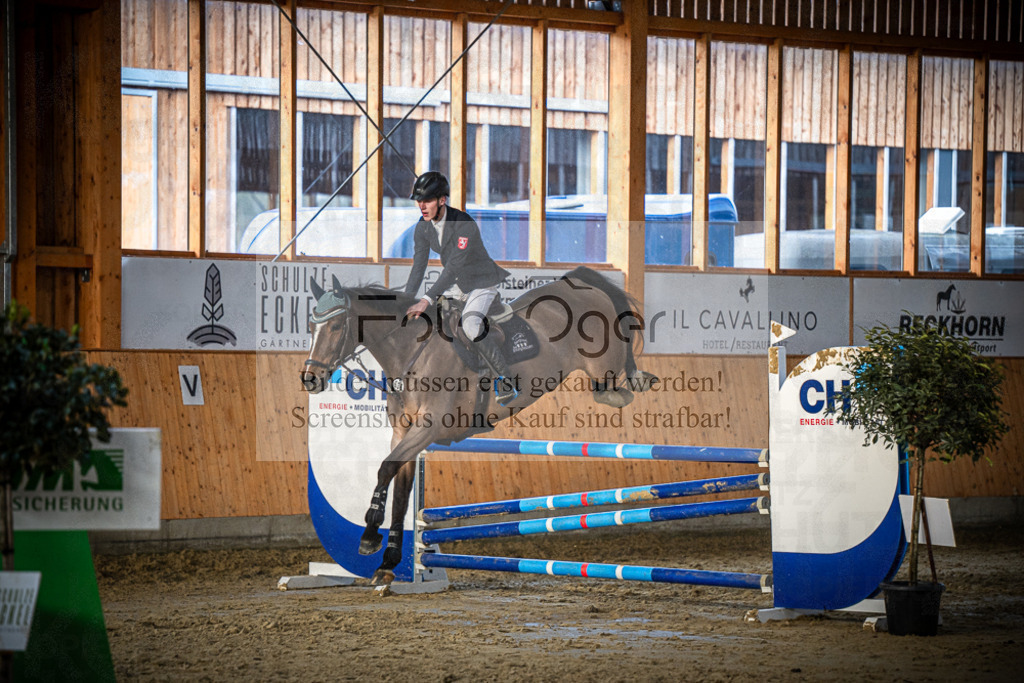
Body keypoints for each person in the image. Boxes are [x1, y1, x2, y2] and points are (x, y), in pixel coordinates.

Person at [403, 171, 518, 406]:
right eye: (419, 201)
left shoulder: (464, 224)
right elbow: (418, 266)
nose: (421, 206)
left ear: (442, 200)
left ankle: (504, 379)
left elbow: (454, 267)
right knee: (435, 322)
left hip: (481, 283)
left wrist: (425, 298)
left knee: (471, 325)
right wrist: (405, 300)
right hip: (458, 286)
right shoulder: (422, 228)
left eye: (427, 201)